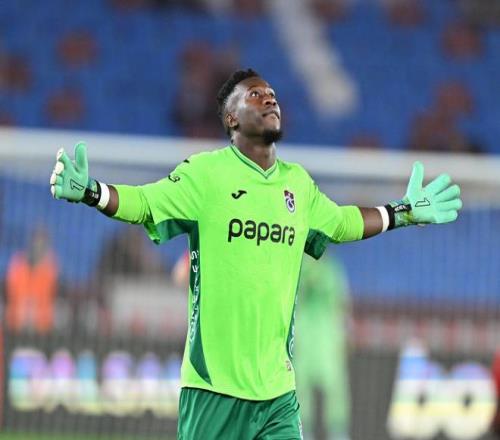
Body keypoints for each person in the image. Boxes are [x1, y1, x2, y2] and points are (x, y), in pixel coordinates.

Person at [49, 68, 462, 440]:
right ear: (231, 118)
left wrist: (401, 212)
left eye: (272, 95)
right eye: (255, 95)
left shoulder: (297, 184)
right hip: (214, 390)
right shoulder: (205, 175)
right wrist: (91, 192)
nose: (269, 99)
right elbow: (143, 202)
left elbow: (341, 222)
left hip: (277, 394)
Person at [294, 253, 351, 440]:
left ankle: (337, 433)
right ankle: (303, 432)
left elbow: (341, 306)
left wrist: (343, 336)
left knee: (334, 390)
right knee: (301, 389)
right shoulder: (301, 268)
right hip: (307, 336)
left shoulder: (331, 271)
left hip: (325, 336)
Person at [6, 226, 59, 334]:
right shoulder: (17, 264)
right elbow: (12, 291)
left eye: (41, 244)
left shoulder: (50, 267)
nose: (37, 246)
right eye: (35, 242)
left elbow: (48, 295)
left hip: (41, 330)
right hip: (15, 326)